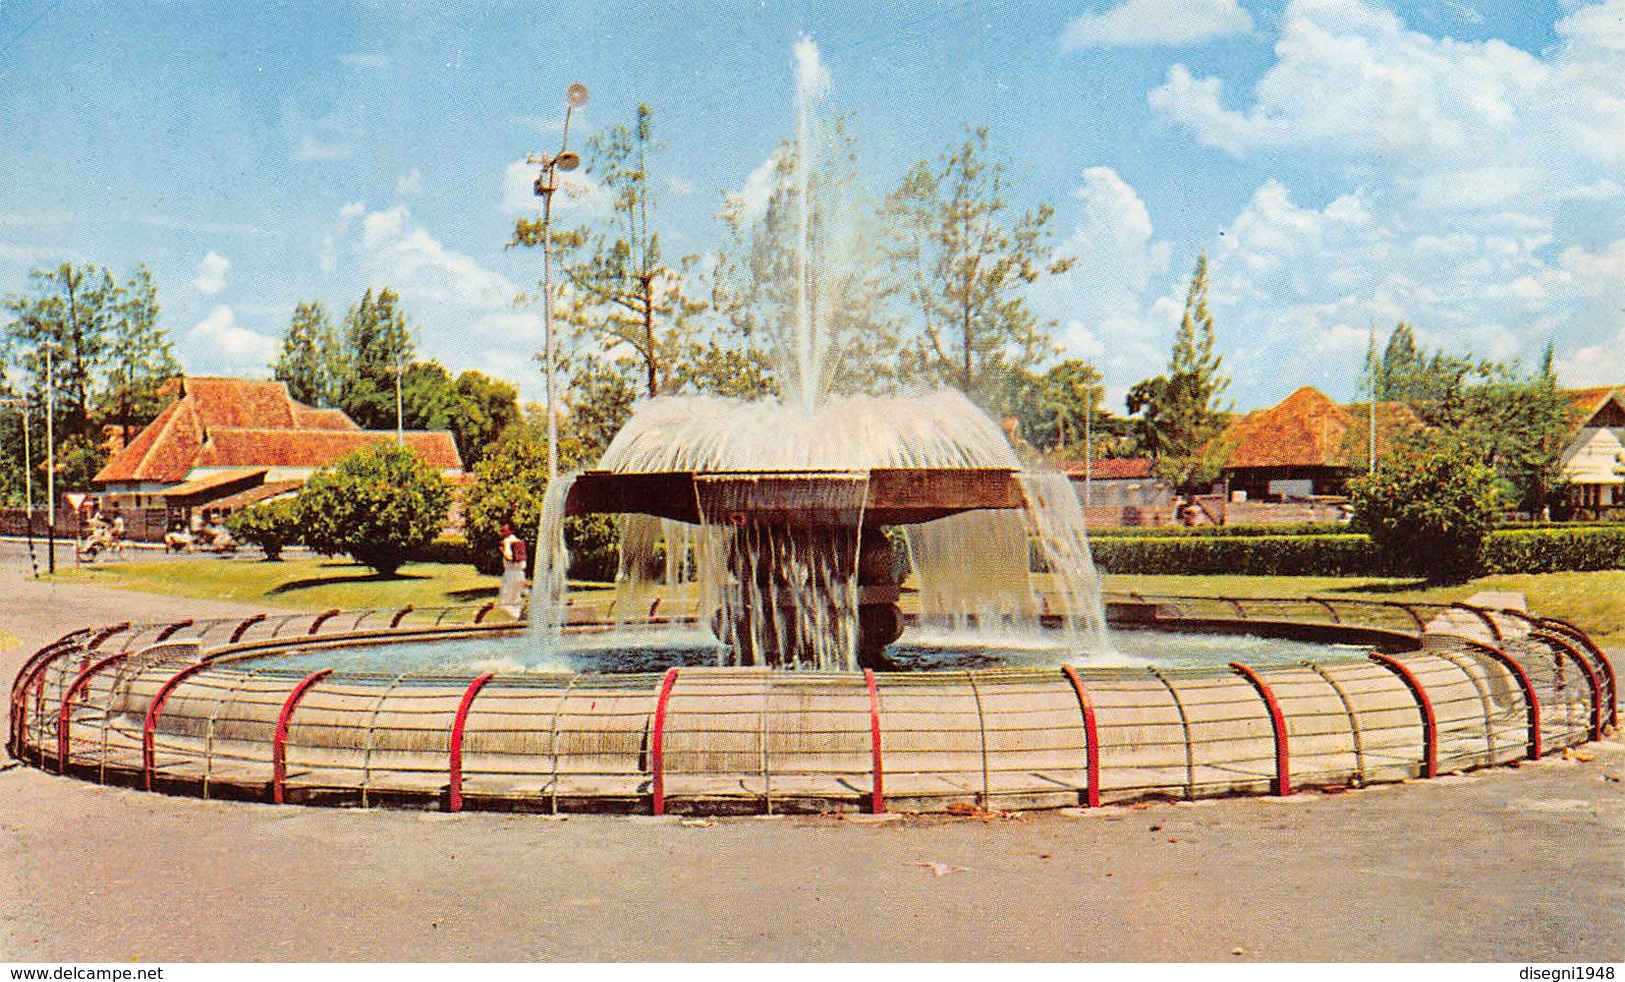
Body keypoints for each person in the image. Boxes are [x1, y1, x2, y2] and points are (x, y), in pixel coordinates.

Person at [499, 523, 528, 618]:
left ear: (510, 531)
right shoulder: (520, 543)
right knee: (517, 599)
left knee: (508, 600)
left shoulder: (509, 542)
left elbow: (509, 557)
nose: (501, 532)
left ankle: (515, 621)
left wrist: (506, 546)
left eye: (504, 530)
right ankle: (519, 618)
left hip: (511, 574)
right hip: (520, 574)